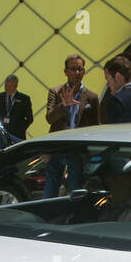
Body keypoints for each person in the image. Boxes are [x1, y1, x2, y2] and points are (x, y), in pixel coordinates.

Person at [44, 55, 99, 197]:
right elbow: (49, 118)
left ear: (84, 71)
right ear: (65, 71)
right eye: (73, 69)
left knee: (75, 191)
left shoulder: (92, 97)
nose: (77, 73)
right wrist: (64, 105)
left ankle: (73, 217)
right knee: (50, 191)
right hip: (57, 146)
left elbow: (95, 127)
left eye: (80, 69)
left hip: (78, 149)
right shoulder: (56, 92)